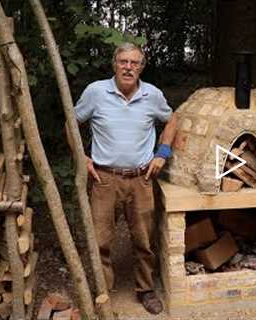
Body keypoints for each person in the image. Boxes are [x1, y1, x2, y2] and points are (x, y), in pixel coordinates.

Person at [66, 42, 177, 315]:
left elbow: (172, 120)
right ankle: (103, 293)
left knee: (144, 240)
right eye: (123, 61)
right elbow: (71, 122)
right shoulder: (96, 92)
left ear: (142, 67)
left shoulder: (153, 95)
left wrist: (162, 153)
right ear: (114, 64)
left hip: (141, 179)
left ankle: (145, 289)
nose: (129, 67)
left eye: (135, 63)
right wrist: (82, 156)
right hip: (104, 179)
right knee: (100, 240)